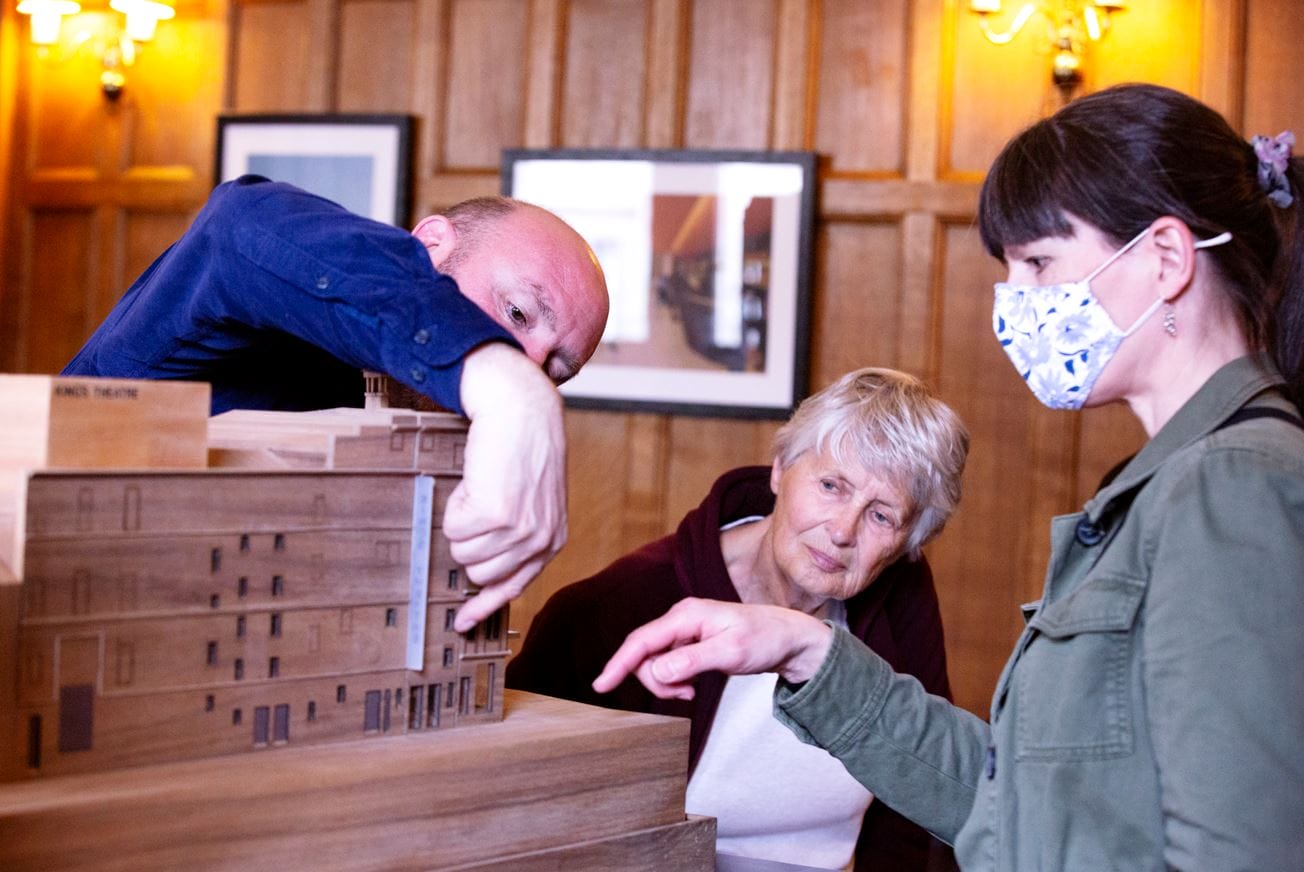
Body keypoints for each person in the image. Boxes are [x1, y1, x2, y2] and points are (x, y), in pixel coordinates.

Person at [593, 83, 1304, 870]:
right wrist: (804, 649)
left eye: (1039, 262)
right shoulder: (1165, 477)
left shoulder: (1233, 482)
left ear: (1166, 258)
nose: (1016, 303)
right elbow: (1021, 806)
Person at [62, 175, 610, 631]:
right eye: (516, 313)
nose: (531, 362)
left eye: (555, 371)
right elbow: (238, 224)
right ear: (430, 244)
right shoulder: (259, 318)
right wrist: (510, 389)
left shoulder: (441, 443)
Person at [509, 367, 969, 871]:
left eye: (880, 516)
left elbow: (917, 804)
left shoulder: (898, 596)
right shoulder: (617, 605)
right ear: (779, 470)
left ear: (906, 542)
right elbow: (525, 814)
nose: (842, 530)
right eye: (832, 485)